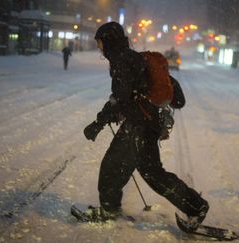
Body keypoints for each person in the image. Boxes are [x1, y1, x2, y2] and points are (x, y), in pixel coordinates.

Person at [82, 22, 209, 230]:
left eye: (100, 42)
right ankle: (196, 206)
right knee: (152, 173)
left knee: (112, 167)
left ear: (109, 40)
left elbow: (120, 100)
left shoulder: (122, 61)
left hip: (139, 125)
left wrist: (98, 123)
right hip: (147, 123)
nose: (99, 47)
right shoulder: (132, 58)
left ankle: (109, 209)